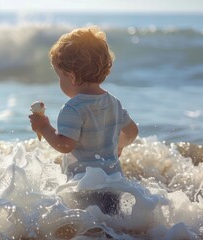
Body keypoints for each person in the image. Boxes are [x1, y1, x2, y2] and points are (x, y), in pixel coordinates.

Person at [29, 26, 139, 215]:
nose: (59, 82)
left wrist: (45, 127)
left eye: (59, 76)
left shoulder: (73, 108)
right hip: (114, 181)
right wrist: (118, 146)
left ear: (70, 76)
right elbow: (132, 132)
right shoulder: (113, 102)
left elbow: (64, 145)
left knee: (89, 227)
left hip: (86, 186)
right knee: (114, 224)